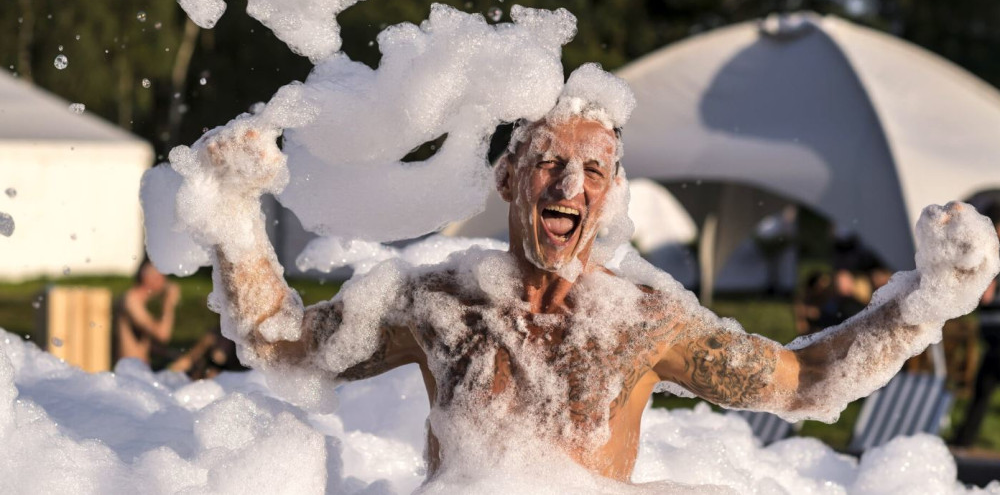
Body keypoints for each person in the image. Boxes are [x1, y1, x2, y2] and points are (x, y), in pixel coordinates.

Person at [192, 71, 1000, 485]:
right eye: (548, 163)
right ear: (510, 180)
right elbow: (286, 348)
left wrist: (927, 302)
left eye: (591, 171)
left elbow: (804, 382)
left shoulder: (642, 322)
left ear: (610, 195)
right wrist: (233, 218)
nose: (568, 187)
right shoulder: (439, 304)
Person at [953, 201, 1000, 447]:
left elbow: (986, 296)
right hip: (992, 338)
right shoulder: (987, 256)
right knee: (982, 392)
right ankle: (963, 440)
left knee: (983, 391)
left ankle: (963, 440)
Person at [114, 260, 181, 366]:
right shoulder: (131, 301)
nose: (165, 283)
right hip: (130, 373)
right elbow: (163, 335)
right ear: (151, 279)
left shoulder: (136, 301)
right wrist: (168, 304)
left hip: (137, 370)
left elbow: (143, 341)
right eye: (163, 277)